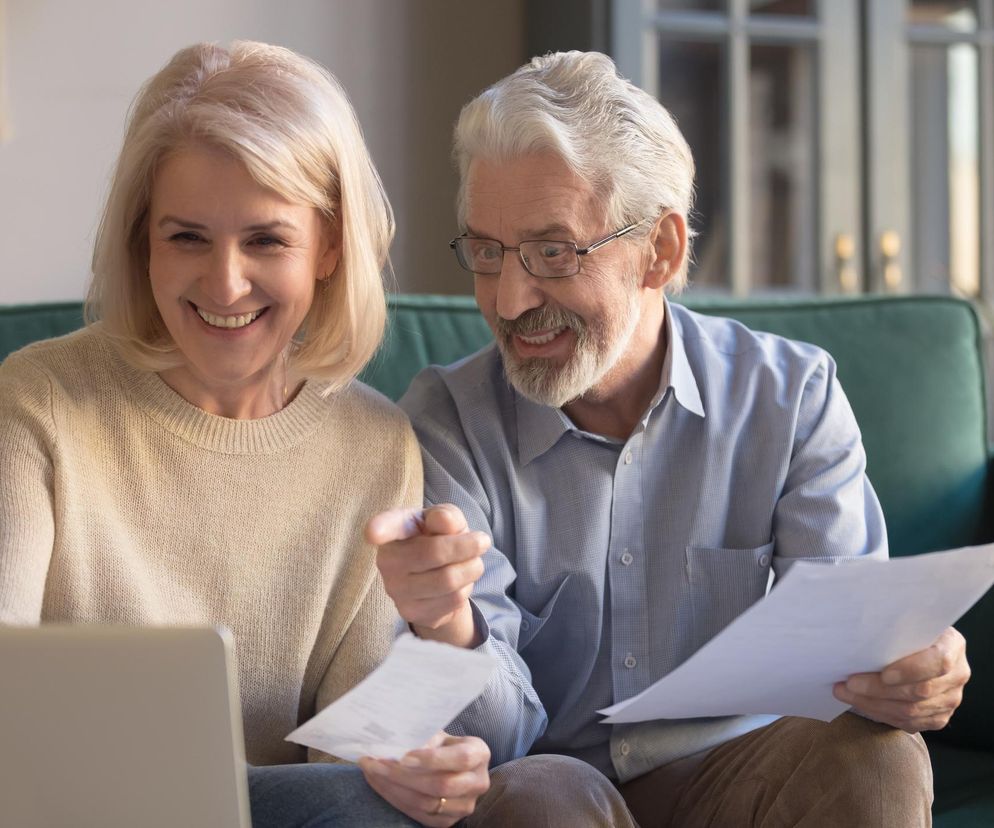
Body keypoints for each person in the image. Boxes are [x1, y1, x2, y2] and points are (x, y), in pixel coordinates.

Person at [368, 51, 970, 826]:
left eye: (554, 252)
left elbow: (847, 666)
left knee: (878, 757)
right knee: (539, 797)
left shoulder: (790, 398)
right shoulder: (445, 422)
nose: (510, 300)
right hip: (556, 787)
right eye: (487, 252)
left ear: (661, 250)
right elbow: (491, 742)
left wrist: (909, 673)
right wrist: (450, 629)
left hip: (745, 776)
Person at [0, 41, 489, 828]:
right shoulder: (39, 402)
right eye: (187, 238)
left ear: (330, 246)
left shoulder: (376, 445)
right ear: (142, 240)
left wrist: (415, 769)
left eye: (266, 240)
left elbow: (351, 764)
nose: (225, 284)